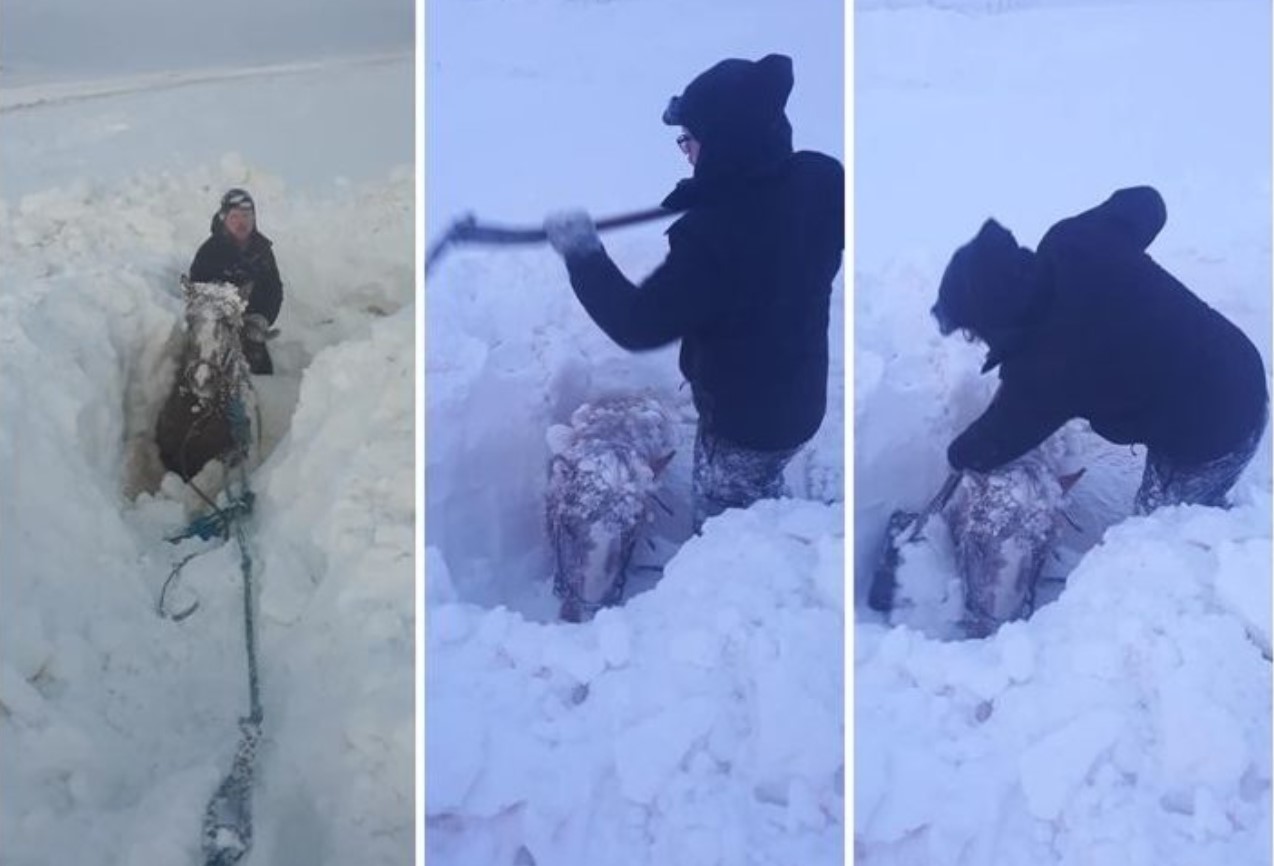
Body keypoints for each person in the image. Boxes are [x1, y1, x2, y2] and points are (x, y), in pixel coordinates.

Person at [542, 54, 844, 530]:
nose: (685, 151)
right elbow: (768, 211)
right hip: (803, 398)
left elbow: (637, 323)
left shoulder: (711, 239)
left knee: (731, 526)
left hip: (746, 425)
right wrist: (715, 192)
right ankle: (782, 518)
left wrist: (583, 255)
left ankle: (764, 569)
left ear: (724, 144)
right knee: (762, 488)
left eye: (691, 141)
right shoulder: (822, 180)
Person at [931, 186, 1268, 514]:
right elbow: (1146, 203)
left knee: (1163, 531)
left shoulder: (1044, 370)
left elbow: (996, 438)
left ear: (992, 316)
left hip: (1216, 430)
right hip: (1237, 362)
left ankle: (1234, 544)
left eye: (973, 332)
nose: (976, 341)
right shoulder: (1073, 242)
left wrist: (952, 460)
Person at [190, 188, 283, 374]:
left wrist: (262, 320)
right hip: (215, 333)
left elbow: (274, 290)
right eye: (235, 217)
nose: (242, 223)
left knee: (261, 376)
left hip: (251, 332)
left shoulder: (262, 251)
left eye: (247, 216)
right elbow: (197, 292)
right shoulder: (210, 252)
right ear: (224, 218)